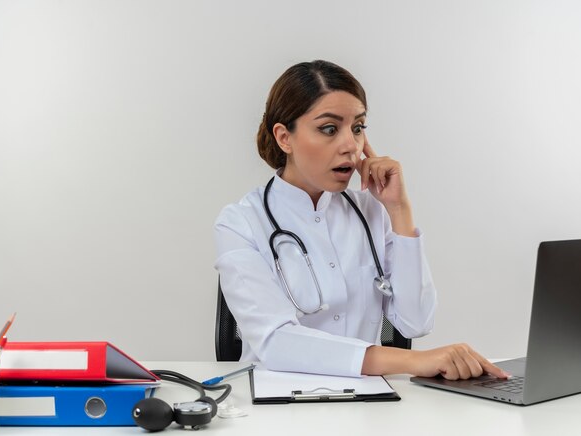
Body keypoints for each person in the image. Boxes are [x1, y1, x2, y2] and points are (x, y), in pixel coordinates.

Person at [214, 60, 508, 380]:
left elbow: (416, 322)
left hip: (368, 400)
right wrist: (413, 362)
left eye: (357, 128)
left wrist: (399, 211)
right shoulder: (241, 223)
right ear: (285, 138)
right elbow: (276, 342)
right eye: (329, 128)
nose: (350, 146)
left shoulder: (371, 211)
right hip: (277, 399)